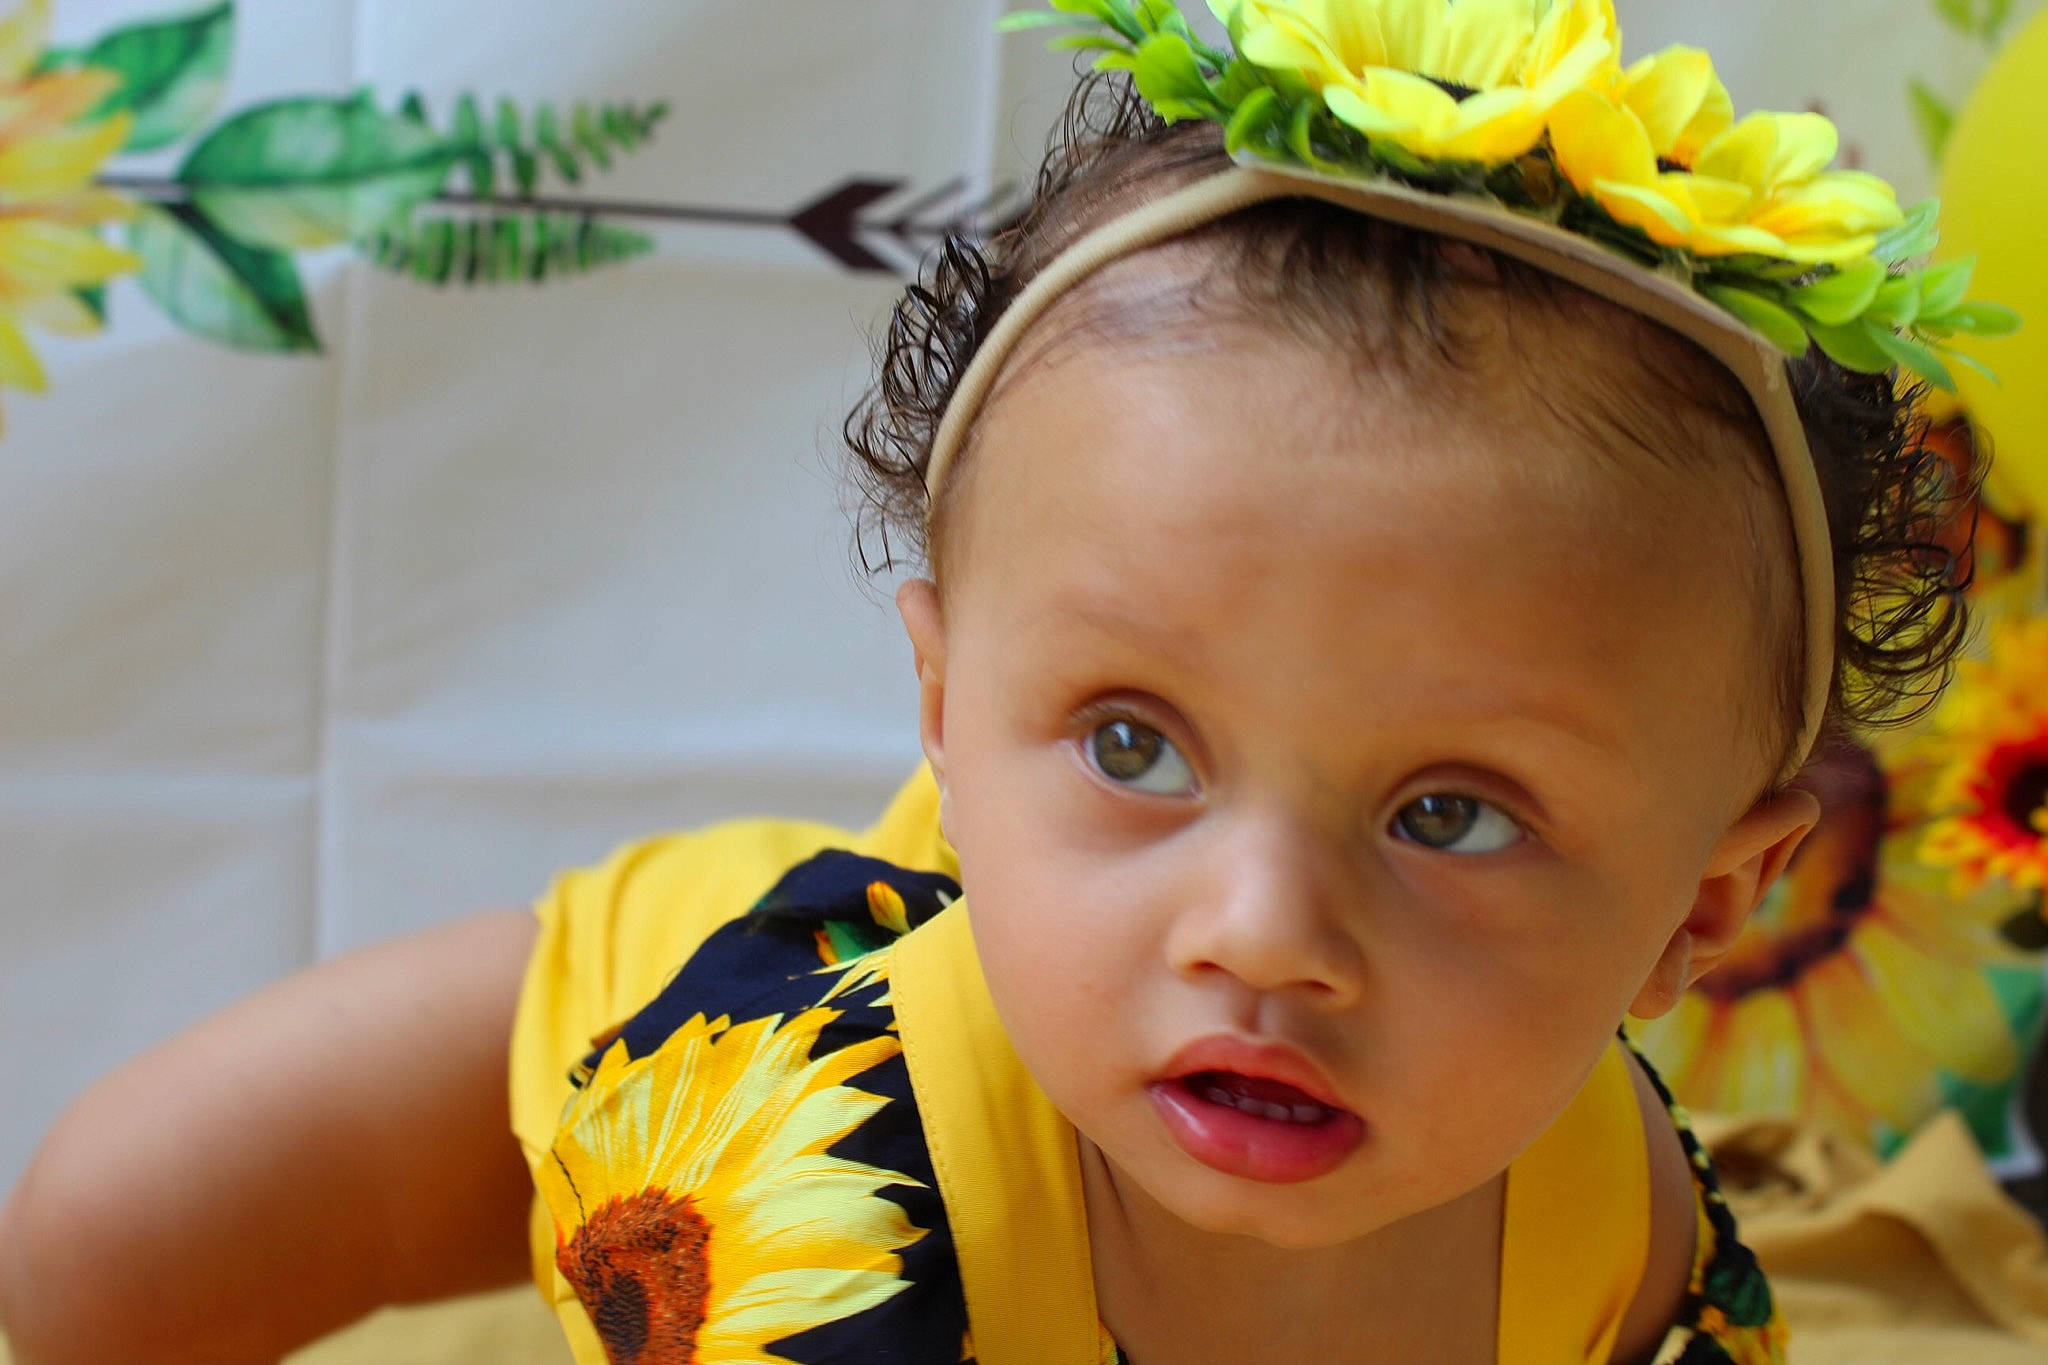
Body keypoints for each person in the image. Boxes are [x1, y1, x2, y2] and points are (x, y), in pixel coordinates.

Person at [0, 3, 2010, 1362]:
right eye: (1133, 743)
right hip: (663, 1012)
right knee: (110, 1228)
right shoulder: (809, 1188)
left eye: (1448, 811)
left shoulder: (1622, 1236)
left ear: (1705, 902)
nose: (1266, 932)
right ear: (946, 707)